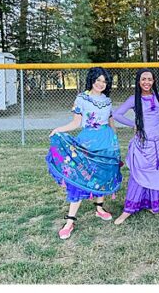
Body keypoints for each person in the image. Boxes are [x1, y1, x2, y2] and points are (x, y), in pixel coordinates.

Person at [46, 67, 122, 239]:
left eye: (105, 81)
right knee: (80, 176)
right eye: (99, 80)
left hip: (107, 141)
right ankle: (70, 220)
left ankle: (99, 208)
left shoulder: (107, 100)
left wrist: (115, 141)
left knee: (103, 173)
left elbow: (111, 122)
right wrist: (58, 129)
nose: (101, 84)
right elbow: (76, 123)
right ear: (92, 80)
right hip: (88, 140)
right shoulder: (82, 98)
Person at [111, 68, 159, 225]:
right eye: (143, 79)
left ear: (153, 81)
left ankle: (153, 204)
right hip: (142, 143)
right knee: (138, 175)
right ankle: (128, 210)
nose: (147, 82)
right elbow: (117, 114)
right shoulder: (134, 99)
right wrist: (134, 125)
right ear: (138, 81)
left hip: (158, 143)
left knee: (156, 173)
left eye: (150, 79)